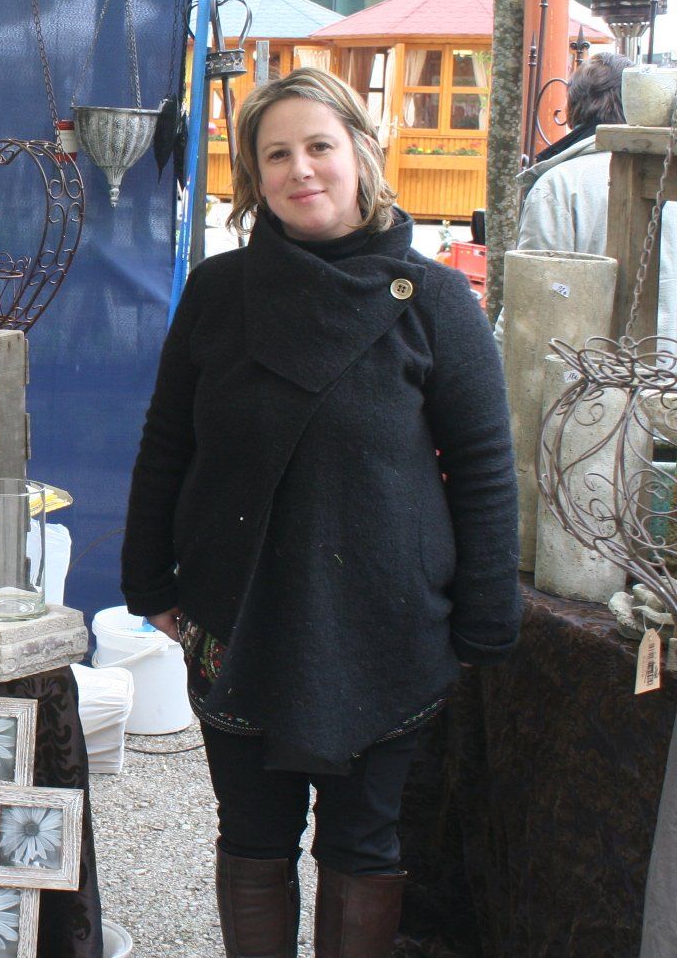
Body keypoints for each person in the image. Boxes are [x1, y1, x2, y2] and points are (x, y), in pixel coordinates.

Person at [120, 68, 520, 958]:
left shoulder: (436, 302)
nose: (300, 169)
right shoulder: (218, 293)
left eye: (319, 146)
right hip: (237, 618)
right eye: (276, 155)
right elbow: (168, 443)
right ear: (254, 179)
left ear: (362, 153)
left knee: (364, 844)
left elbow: (486, 470)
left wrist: (484, 621)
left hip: (387, 627)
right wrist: (149, 582)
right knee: (252, 838)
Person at [501, 53, 676, 338]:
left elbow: (533, 297)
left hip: (588, 359)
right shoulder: (668, 177)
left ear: (574, 105)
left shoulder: (560, 184)